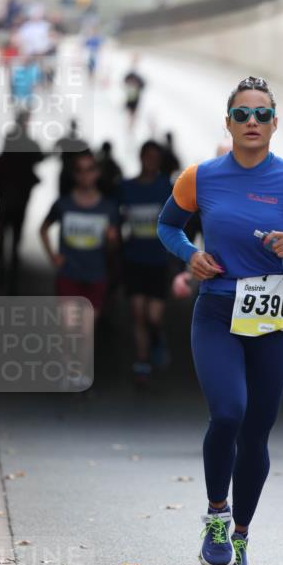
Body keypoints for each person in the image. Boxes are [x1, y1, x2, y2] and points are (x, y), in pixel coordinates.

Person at [157, 75, 283, 565]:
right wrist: (190, 255)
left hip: (272, 321)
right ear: (228, 122)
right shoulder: (200, 177)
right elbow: (167, 225)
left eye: (261, 115)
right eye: (242, 115)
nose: (252, 123)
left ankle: (240, 538)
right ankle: (216, 517)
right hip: (217, 311)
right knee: (228, 413)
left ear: (275, 124)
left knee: (257, 431)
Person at [40, 150, 120, 319]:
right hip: (69, 275)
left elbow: (113, 249)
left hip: (96, 277)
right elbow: (43, 228)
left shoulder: (109, 208)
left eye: (90, 169)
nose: (85, 175)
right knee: (70, 332)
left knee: (85, 334)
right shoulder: (64, 204)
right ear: (74, 174)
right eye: (80, 170)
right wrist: (53, 256)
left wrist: (112, 240)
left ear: (97, 172)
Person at [118, 141, 173, 383]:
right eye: (147, 156)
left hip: (159, 262)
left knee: (154, 317)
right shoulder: (126, 188)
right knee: (137, 312)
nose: (151, 161)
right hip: (134, 260)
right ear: (140, 157)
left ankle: (158, 338)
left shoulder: (167, 188)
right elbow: (115, 219)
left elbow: (181, 223)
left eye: (155, 157)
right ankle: (142, 361)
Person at [0, 111, 45, 292]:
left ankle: (4, 270)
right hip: (16, 198)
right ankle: (8, 271)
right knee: (12, 236)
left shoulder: (15, 144)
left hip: (9, 198)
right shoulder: (24, 144)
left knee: (5, 236)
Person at [124, 60, 146, 131]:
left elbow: (143, 85)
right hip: (130, 96)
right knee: (130, 111)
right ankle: (130, 124)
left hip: (136, 96)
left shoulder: (139, 76)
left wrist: (137, 86)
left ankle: (131, 125)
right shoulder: (129, 74)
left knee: (133, 112)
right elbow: (125, 81)